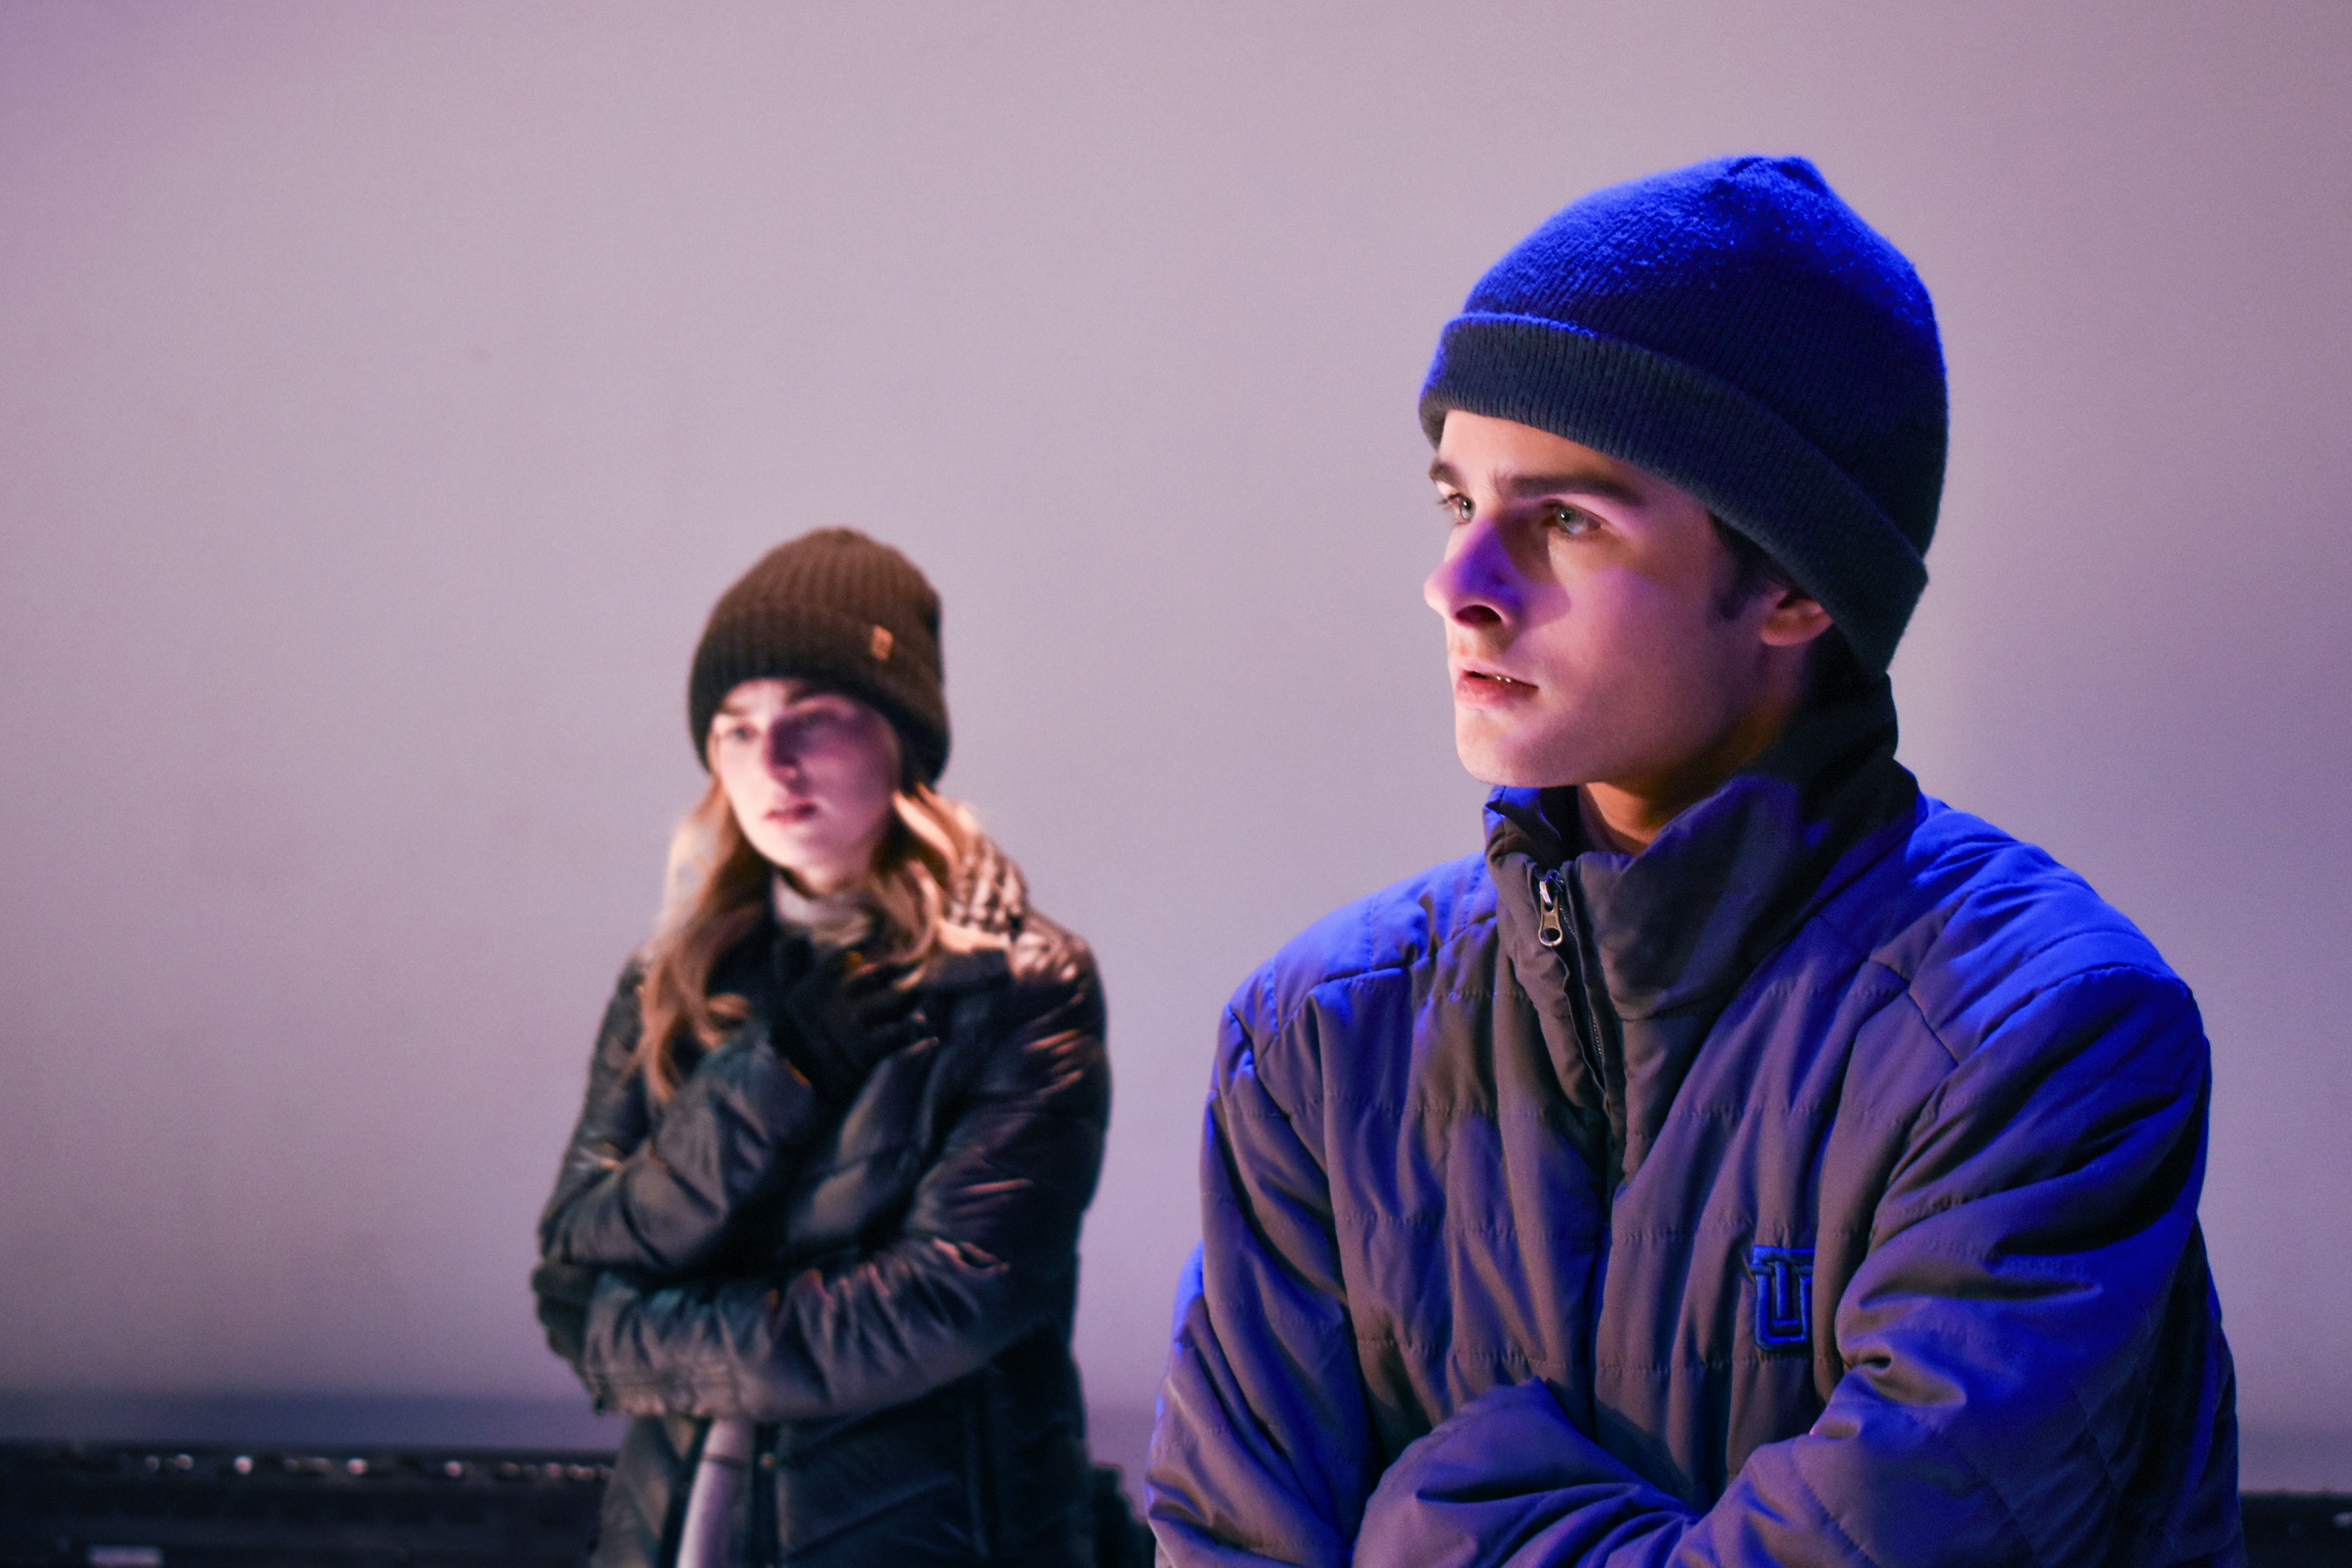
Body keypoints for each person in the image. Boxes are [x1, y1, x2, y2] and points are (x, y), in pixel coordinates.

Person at [1145, 158, 2241, 1567]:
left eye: (1565, 520)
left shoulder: (2045, 1039)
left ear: (1793, 584)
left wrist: (1439, 1525)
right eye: (1457, 504)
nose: (1457, 584)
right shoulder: (1317, 1038)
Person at [532, 529, 1119, 1568]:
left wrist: (632, 1342)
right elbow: (578, 1253)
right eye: (737, 728)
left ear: (903, 738)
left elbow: (945, 1303)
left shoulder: (1018, 982)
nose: (773, 762)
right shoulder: (671, 980)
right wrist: (784, 1069)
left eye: (815, 717)